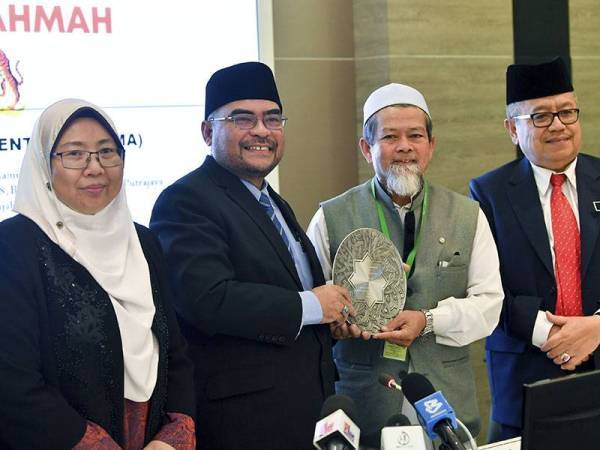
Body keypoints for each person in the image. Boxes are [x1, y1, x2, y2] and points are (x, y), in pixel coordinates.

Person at [149, 62, 353, 450]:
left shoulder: (272, 201)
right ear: (208, 131)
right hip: (243, 424)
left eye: (273, 119)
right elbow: (208, 299)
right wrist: (312, 305)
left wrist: (330, 323)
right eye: (243, 118)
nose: (261, 131)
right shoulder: (186, 200)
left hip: (306, 413)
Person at [307, 83, 503, 442]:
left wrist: (427, 321)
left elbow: (489, 305)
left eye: (415, 135)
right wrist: (335, 326)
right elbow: (312, 304)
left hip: (445, 409)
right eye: (390, 137)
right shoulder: (330, 218)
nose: (404, 147)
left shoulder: (468, 215)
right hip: (364, 404)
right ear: (367, 148)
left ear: (431, 145)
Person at [0, 99, 196, 450]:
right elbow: (12, 380)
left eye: (107, 151)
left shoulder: (144, 243)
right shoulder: (14, 245)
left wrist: (173, 438)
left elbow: (175, 354)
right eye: (74, 154)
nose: (95, 168)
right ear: (44, 165)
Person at [470, 57, 600, 441]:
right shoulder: (489, 193)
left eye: (566, 112)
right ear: (512, 129)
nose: (558, 124)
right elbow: (486, 287)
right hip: (526, 376)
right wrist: (555, 336)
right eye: (540, 116)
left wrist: (595, 328)